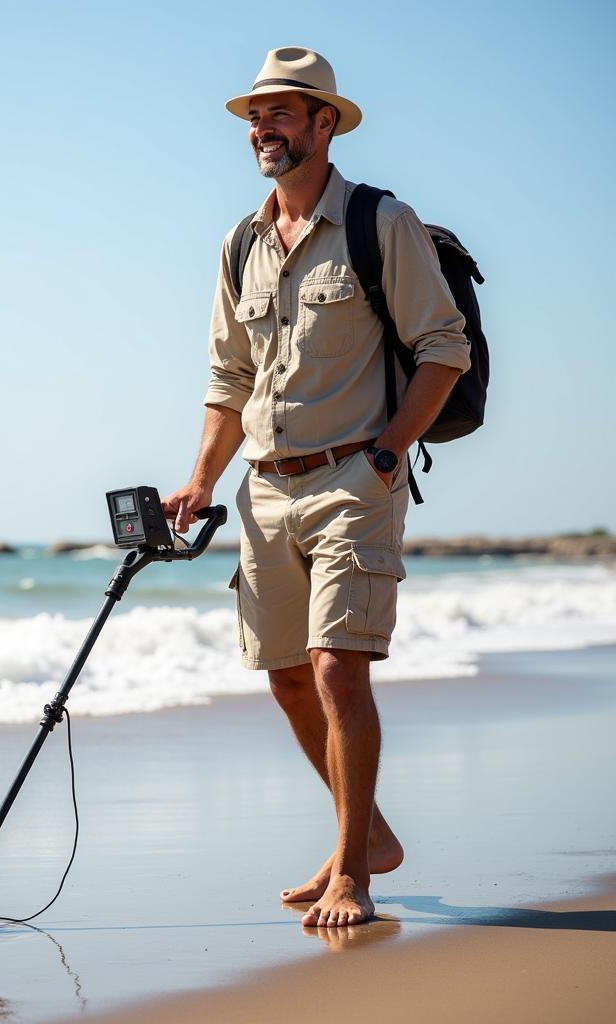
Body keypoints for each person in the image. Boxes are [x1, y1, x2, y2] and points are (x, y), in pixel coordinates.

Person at [162, 47, 471, 928]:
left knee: (340, 670)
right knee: (290, 680)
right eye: (257, 114)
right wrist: (198, 482)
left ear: (325, 122)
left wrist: (387, 454)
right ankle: (364, 838)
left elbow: (445, 348)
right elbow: (228, 382)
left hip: (353, 480)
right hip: (265, 491)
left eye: (283, 112)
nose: (264, 127)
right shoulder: (240, 245)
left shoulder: (381, 222)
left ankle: (354, 881)